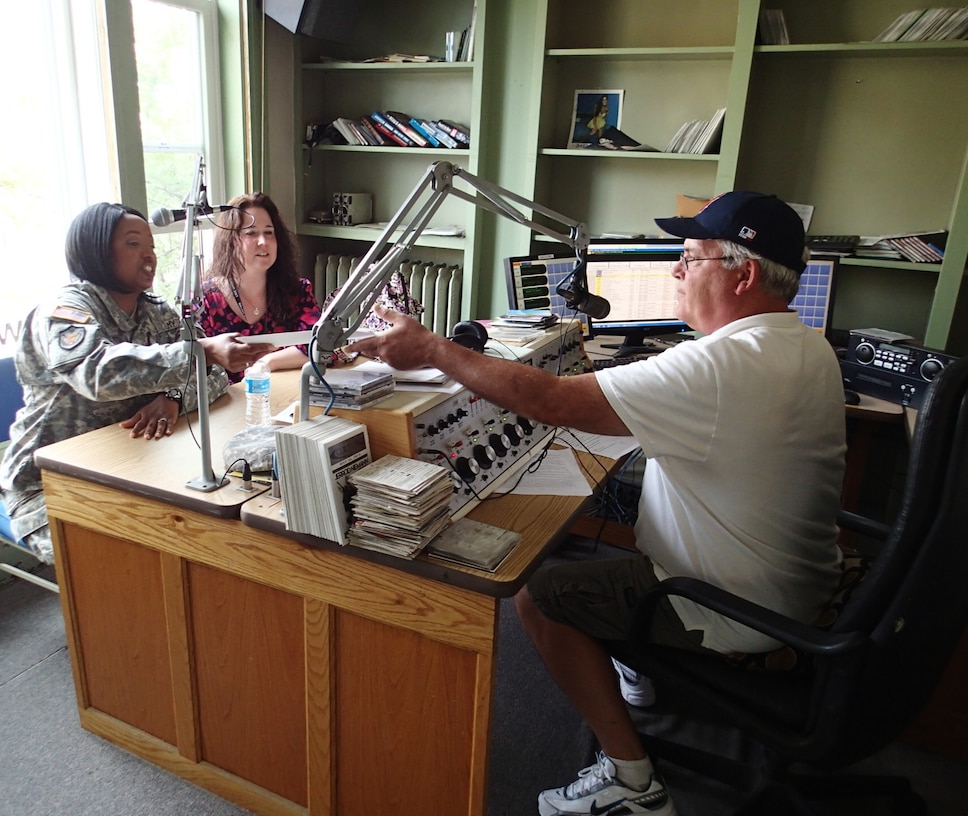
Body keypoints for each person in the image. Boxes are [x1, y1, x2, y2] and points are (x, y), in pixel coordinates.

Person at [346, 191, 846, 816]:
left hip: (729, 604)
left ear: (742, 275)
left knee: (539, 596)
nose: (676, 271)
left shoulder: (719, 366)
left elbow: (553, 401)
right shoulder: (805, 345)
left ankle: (633, 782)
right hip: (795, 587)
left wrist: (433, 350)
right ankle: (635, 660)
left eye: (691, 258)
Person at [0, 202, 272, 564]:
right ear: (96, 250)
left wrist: (174, 396)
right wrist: (199, 352)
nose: (149, 255)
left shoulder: (155, 311)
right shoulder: (64, 311)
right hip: (49, 479)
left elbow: (217, 374)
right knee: (111, 563)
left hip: (128, 461)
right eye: (132, 244)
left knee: (199, 536)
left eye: (152, 246)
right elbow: (98, 374)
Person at [199, 192, 321, 382]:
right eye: (251, 233)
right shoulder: (204, 300)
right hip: (228, 405)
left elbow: (321, 347)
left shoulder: (297, 291)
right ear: (230, 241)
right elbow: (195, 369)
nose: (263, 242)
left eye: (269, 232)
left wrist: (267, 362)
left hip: (283, 399)